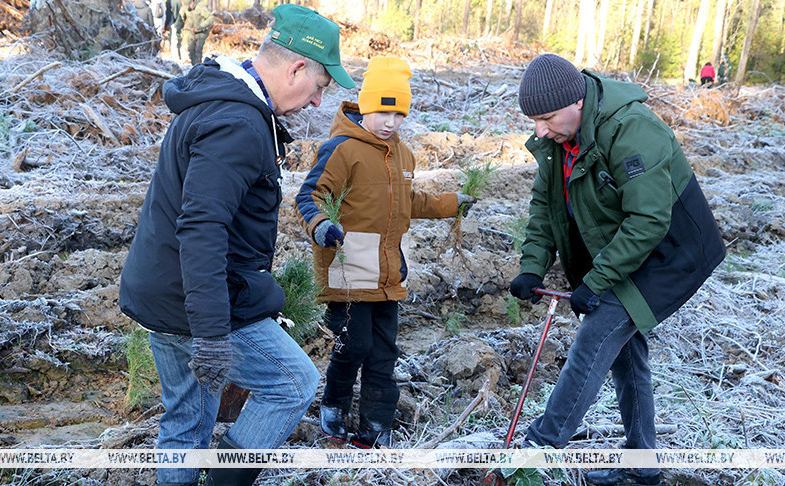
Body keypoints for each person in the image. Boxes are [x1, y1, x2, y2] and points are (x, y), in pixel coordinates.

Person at [118, 5, 355, 486]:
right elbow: (202, 228)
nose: (316, 103)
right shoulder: (237, 125)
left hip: (163, 294)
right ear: (295, 69)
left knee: (186, 424)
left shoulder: (218, 99)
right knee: (294, 384)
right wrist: (209, 334)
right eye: (321, 88)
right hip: (197, 305)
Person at [508, 53, 725, 486]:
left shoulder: (632, 129)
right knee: (626, 357)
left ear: (577, 103)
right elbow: (544, 210)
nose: (540, 131)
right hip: (622, 251)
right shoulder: (557, 143)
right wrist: (532, 267)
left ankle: (537, 450)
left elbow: (648, 221)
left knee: (595, 337)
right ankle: (643, 468)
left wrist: (598, 280)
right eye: (533, 120)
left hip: (670, 251)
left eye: (547, 118)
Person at [295, 56, 478, 449]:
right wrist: (321, 226)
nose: (390, 123)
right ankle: (334, 406)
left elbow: (410, 200)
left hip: (389, 270)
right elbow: (310, 195)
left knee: (383, 352)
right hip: (348, 263)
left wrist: (450, 203)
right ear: (365, 106)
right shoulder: (341, 149)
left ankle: (377, 425)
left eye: (399, 114)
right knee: (353, 344)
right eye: (382, 111)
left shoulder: (403, 155)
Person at [180, 0, 214, 65]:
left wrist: (201, 26)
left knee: (198, 49)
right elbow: (180, 19)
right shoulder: (185, 6)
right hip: (191, 31)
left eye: (190, 5)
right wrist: (177, 30)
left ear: (193, 2)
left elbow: (211, 17)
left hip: (202, 32)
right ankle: (194, 66)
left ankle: (199, 67)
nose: (189, 8)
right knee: (190, 49)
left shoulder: (200, 6)